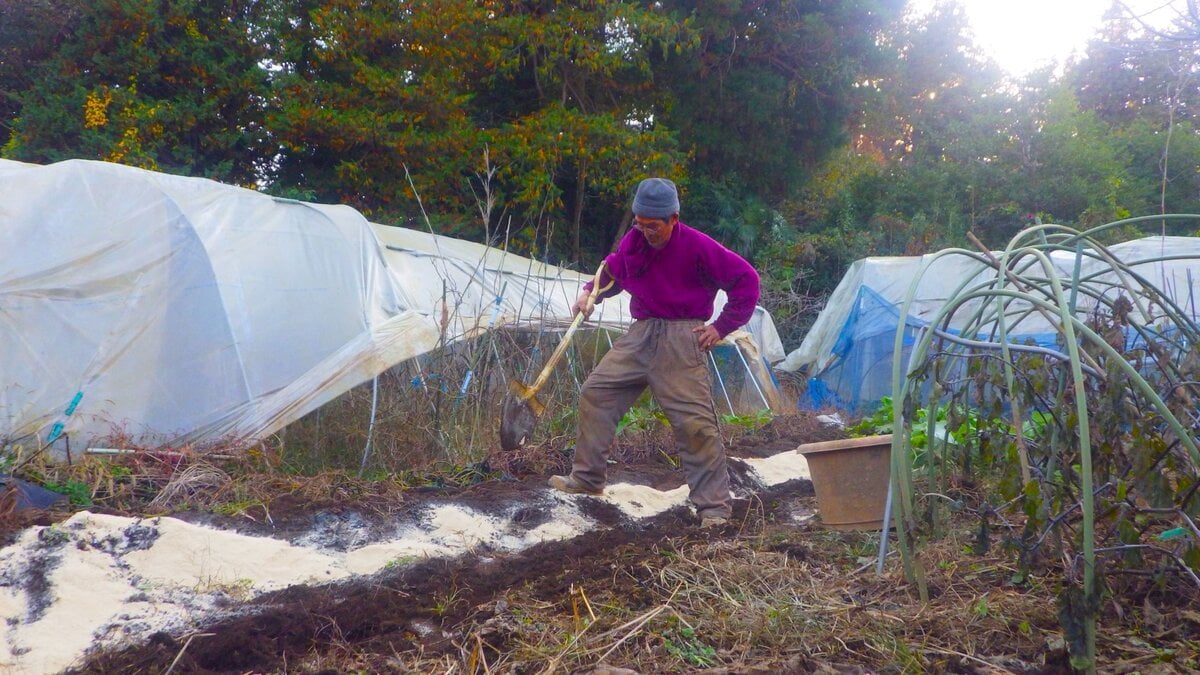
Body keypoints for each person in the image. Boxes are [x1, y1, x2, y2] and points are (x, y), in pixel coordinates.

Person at [548, 177, 760, 527]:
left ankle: (713, 508)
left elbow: (747, 281)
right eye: (640, 224)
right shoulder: (635, 242)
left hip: (682, 336)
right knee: (597, 392)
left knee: (695, 424)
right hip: (641, 333)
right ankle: (587, 480)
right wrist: (590, 293)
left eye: (654, 226)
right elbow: (611, 272)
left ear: (674, 218)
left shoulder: (698, 247)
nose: (646, 232)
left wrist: (720, 327)